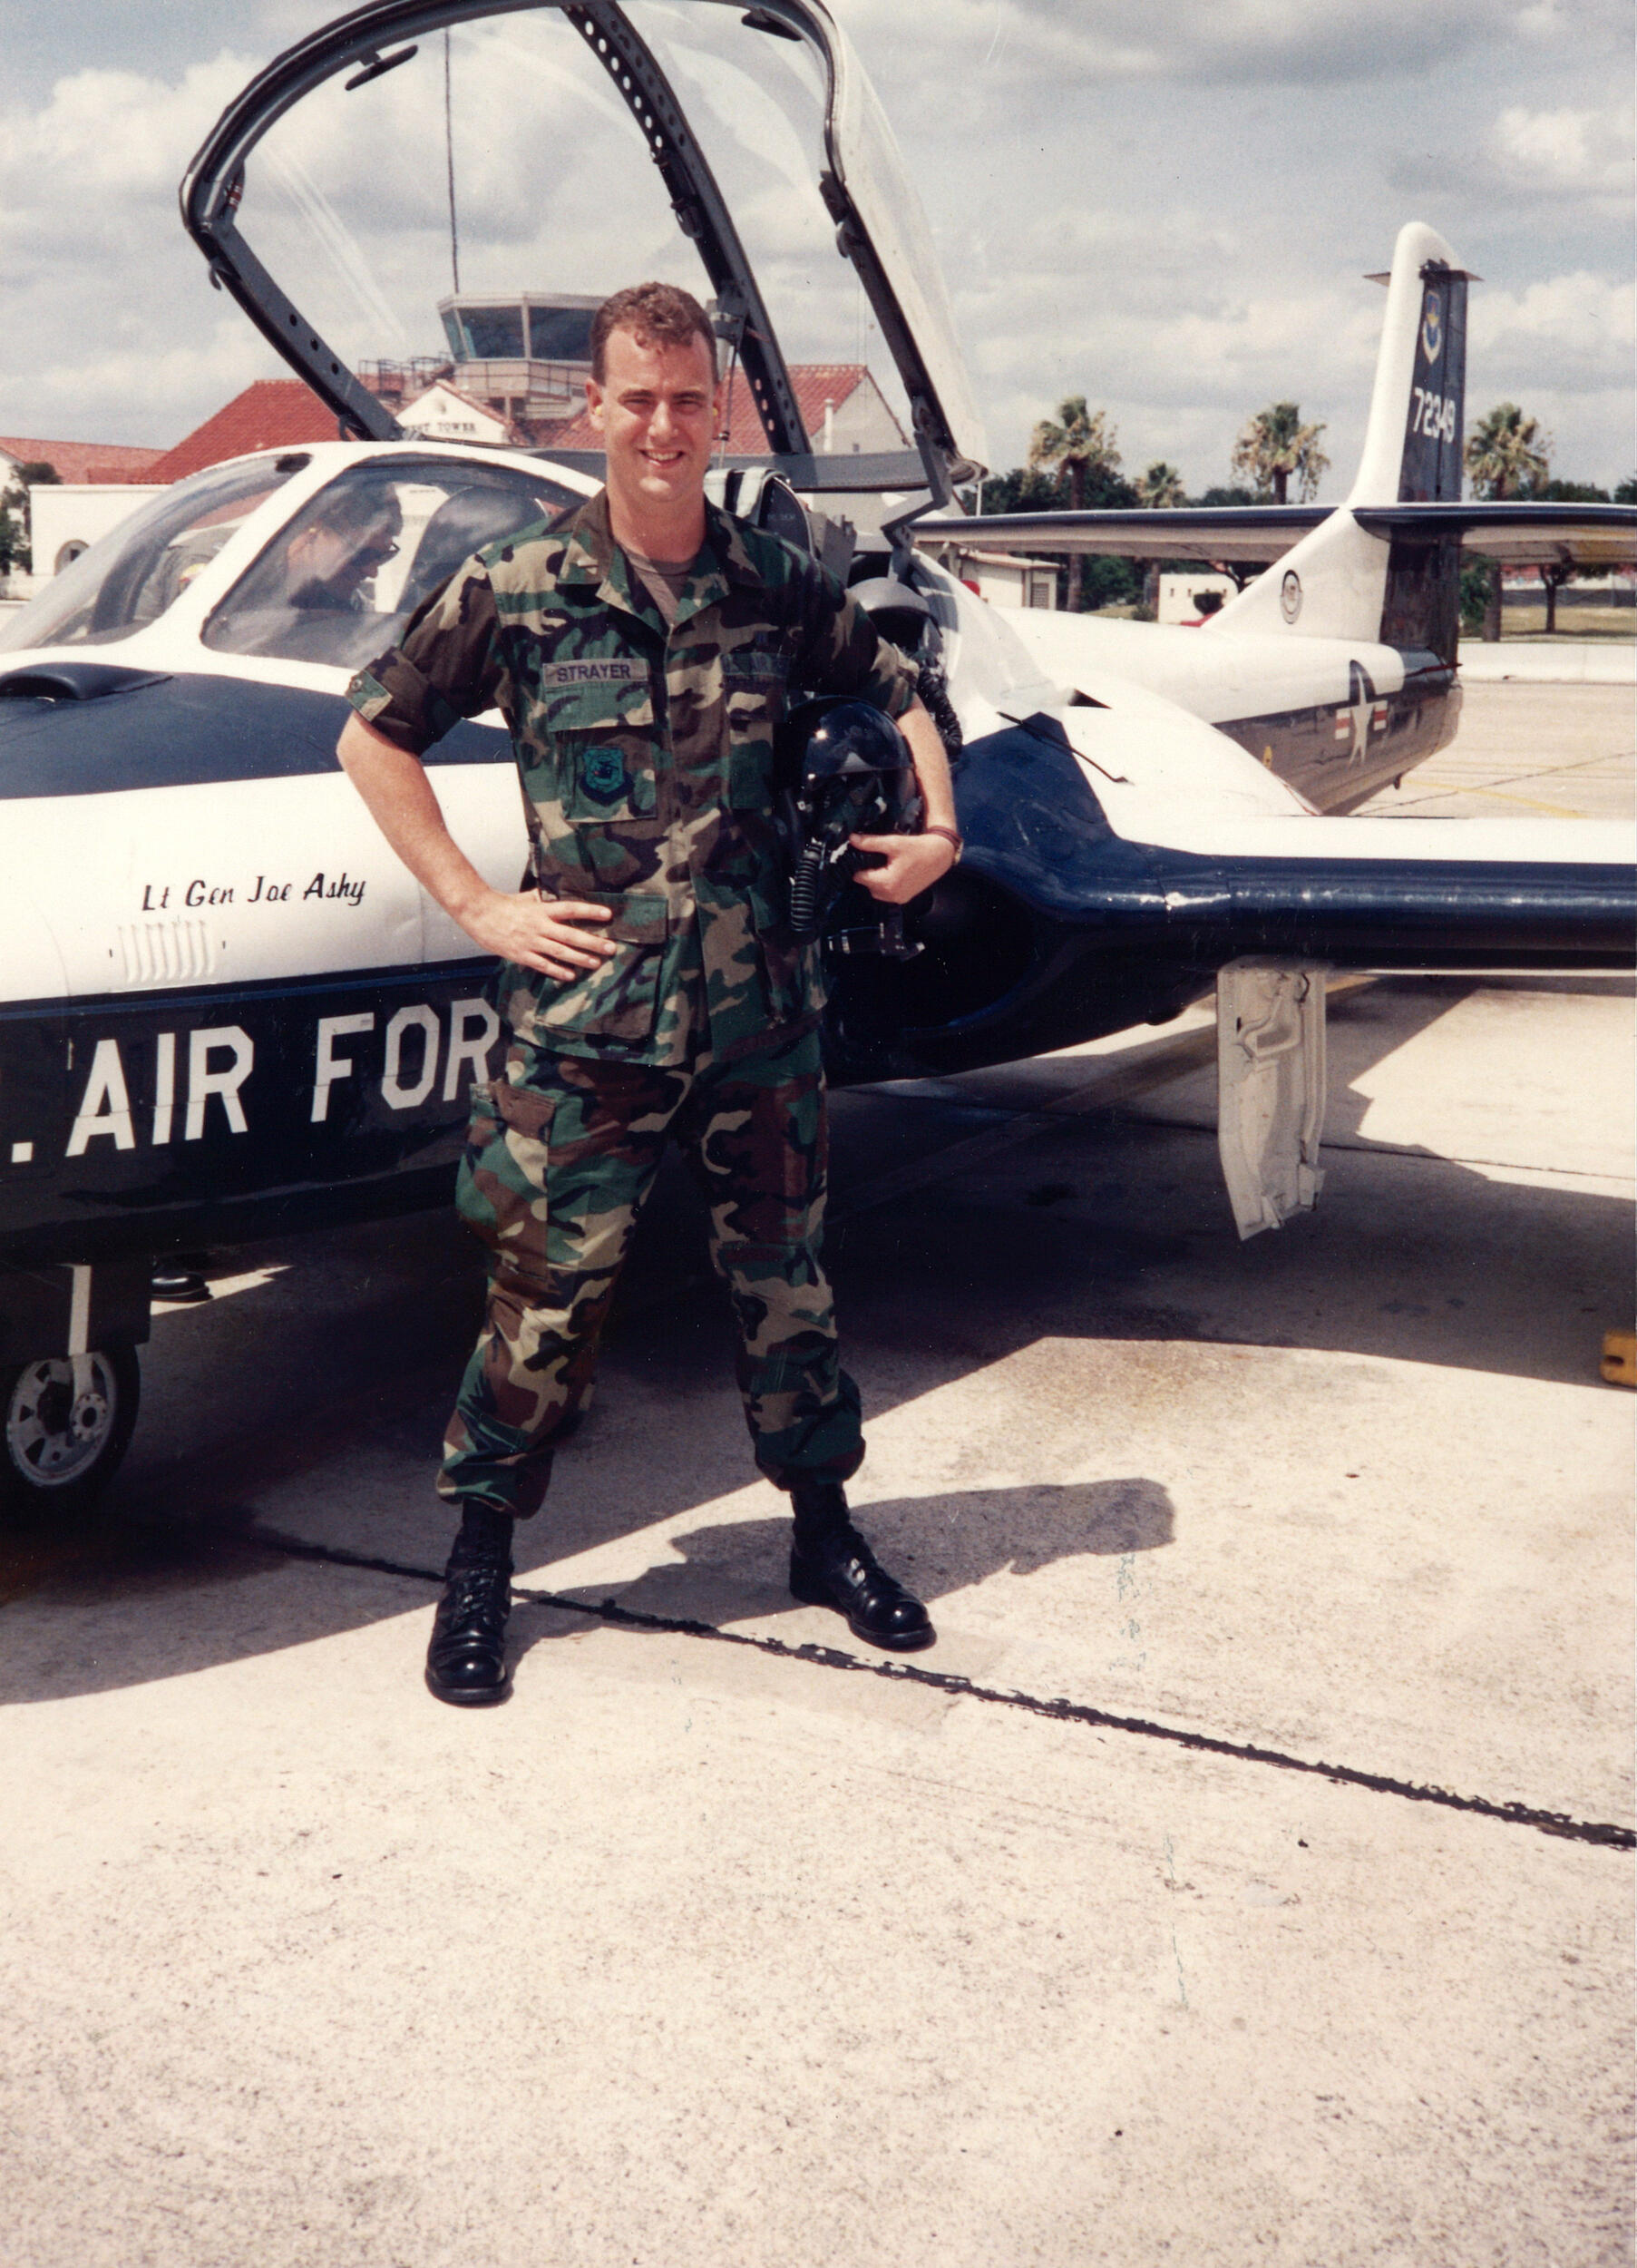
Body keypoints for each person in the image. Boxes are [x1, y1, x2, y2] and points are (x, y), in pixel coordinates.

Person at [336, 280, 961, 1706]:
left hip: (760, 1018)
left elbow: (902, 688)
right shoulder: (517, 588)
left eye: (689, 400)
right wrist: (476, 904)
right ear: (597, 410)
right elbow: (374, 737)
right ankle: (481, 1570)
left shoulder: (773, 579)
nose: (664, 426)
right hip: (591, 1023)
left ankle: (821, 1536)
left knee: (786, 1286)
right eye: (638, 400)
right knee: (544, 1297)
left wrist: (939, 835)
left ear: (716, 408)